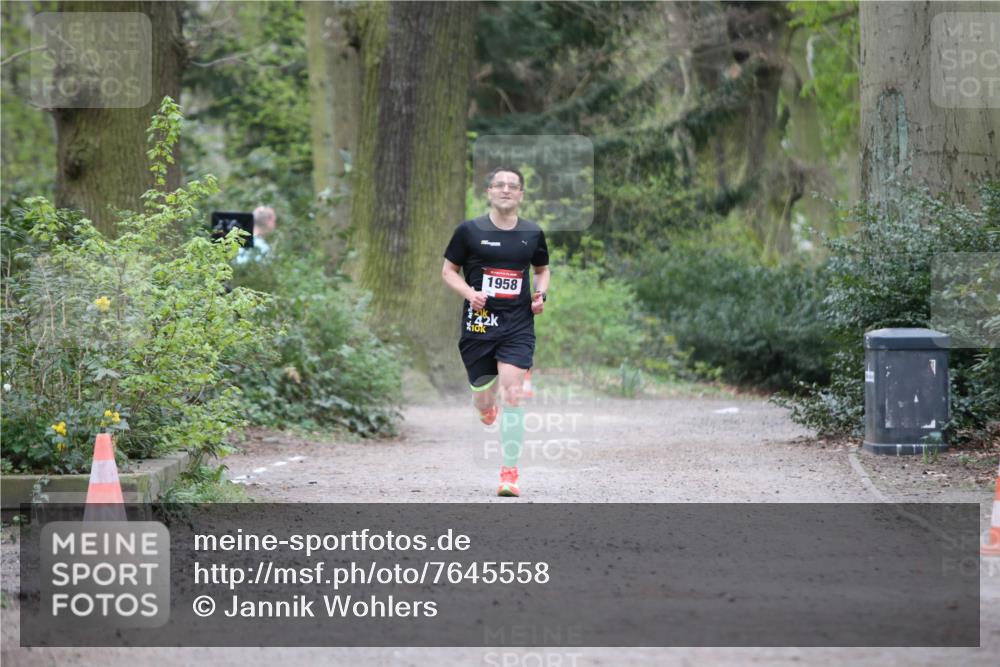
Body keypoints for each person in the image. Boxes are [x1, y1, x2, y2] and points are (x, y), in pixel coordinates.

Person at [441, 167, 550, 497]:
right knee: (483, 396)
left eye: (512, 186)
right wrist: (469, 294)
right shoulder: (469, 231)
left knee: (513, 392)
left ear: (521, 195)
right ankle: (485, 406)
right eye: (499, 185)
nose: (505, 190)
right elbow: (448, 271)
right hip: (479, 325)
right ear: (488, 191)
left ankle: (510, 474)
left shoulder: (532, 233)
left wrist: (541, 295)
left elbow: (542, 271)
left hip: (517, 325)